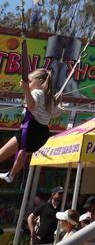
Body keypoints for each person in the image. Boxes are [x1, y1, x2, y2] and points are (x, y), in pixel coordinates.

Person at [0, 36, 61, 184]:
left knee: (2, 154)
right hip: (42, 134)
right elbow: (56, 113)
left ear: (39, 82)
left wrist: (26, 90)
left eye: (30, 79)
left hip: (31, 128)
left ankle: (10, 174)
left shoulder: (37, 93)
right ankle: (11, 174)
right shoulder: (49, 99)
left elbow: (31, 106)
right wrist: (57, 102)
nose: (28, 82)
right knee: (24, 151)